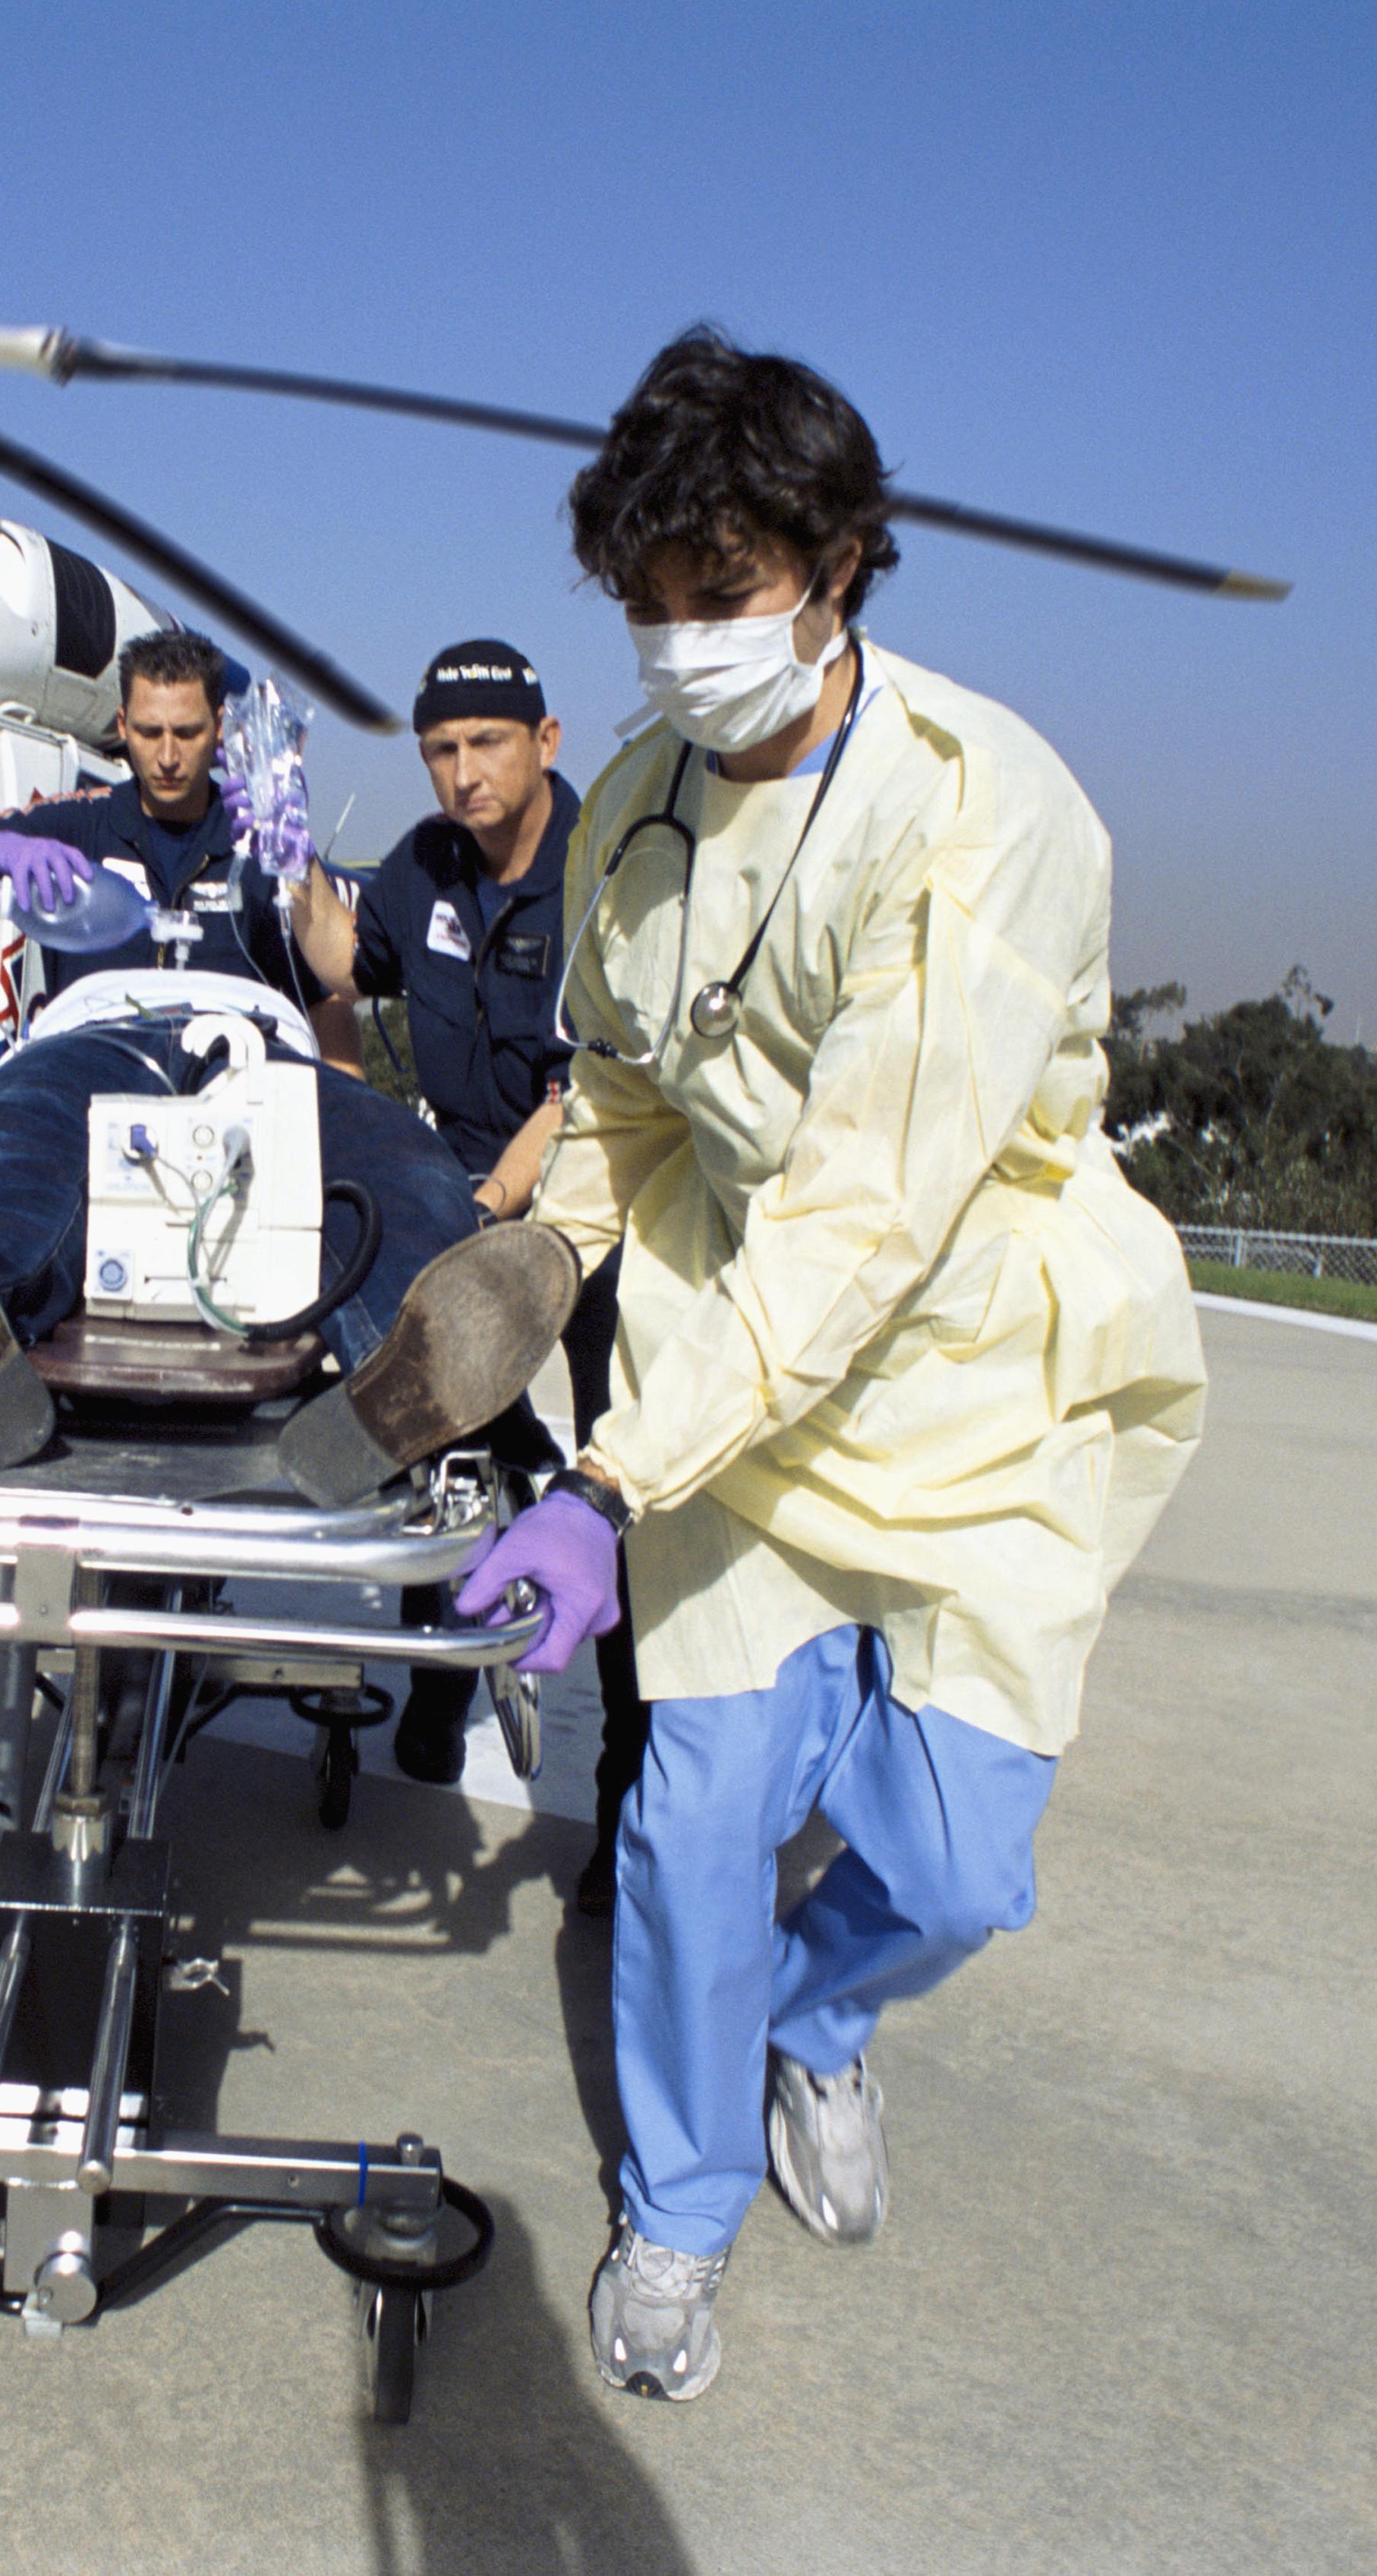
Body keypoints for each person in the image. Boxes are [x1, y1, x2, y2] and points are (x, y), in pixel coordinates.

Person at [449, 332, 1208, 2402]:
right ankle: (678, 2206)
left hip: (969, 1375)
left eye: (722, 590)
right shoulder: (626, 802)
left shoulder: (983, 815)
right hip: (726, 1371)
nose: (683, 643)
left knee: (961, 1865)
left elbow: (867, 1212)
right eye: (649, 604)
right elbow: (621, 1089)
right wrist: (536, 1259)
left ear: (840, 563)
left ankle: (814, 2016)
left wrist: (606, 1484)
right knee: (694, 1815)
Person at [0, 629, 577, 1506]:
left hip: (254, 1045)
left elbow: (333, 981)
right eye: (148, 733)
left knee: (390, 1167)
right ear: (122, 727)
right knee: (18, 1131)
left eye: (187, 733)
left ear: (219, 728)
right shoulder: (76, 819)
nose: (169, 754)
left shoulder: (259, 827)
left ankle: (417, 1371)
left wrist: (300, 893)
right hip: (99, 1037)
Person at [291, 643, 646, 1848]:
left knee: (620, 1481)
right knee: (426, 1436)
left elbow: (589, 1079)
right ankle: (439, 1674)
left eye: (486, 743)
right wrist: (307, 905)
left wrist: (491, 1205)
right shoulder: (425, 862)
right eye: (440, 749)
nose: (461, 773)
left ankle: (621, 1803)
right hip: (465, 1192)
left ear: (544, 744)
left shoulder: (610, 866)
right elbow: (348, 968)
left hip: (599, 1190)